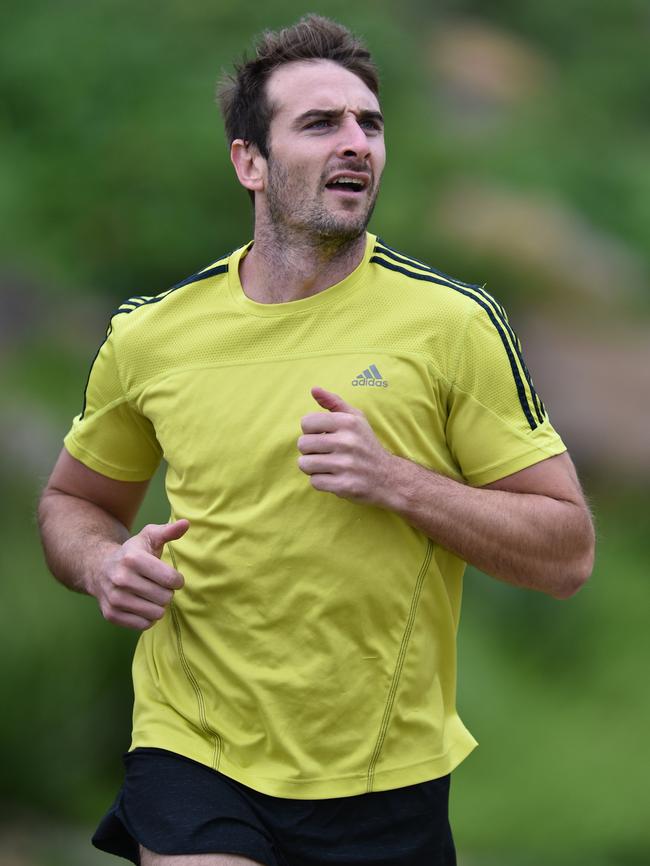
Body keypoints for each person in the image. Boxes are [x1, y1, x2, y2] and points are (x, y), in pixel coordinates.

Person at [38, 14, 595, 866]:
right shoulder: (151, 334)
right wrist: (102, 564)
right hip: (194, 746)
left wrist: (397, 481)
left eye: (370, 124)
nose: (356, 144)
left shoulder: (453, 325)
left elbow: (566, 553)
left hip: (383, 772)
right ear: (249, 163)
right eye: (320, 123)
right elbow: (73, 502)